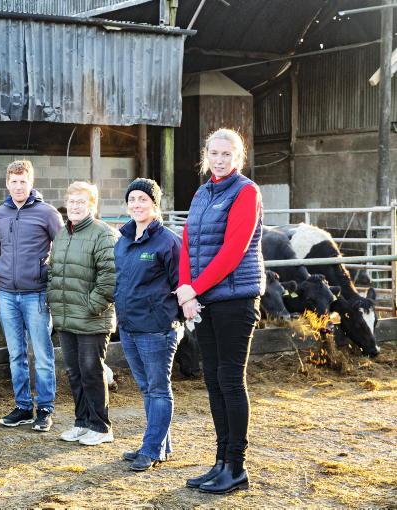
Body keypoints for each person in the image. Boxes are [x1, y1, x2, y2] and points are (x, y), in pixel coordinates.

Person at [176, 128, 265, 494]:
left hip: (236, 298)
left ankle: (236, 466)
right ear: (206, 155)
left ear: (238, 157)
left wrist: (195, 288)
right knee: (213, 379)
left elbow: (233, 250)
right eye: (214, 153)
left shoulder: (246, 192)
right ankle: (220, 462)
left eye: (227, 154)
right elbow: (187, 243)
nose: (219, 159)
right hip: (206, 298)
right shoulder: (202, 193)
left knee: (230, 379)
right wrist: (186, 291)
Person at [114, 178, 181, 470]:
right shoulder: (124, 240)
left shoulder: (168, 241)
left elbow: (182, 284)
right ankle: (160, 445)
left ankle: (151, 448)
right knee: (146, 388)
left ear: (155, 204)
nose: (136, 204)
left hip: (156, 328)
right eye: (132, 199)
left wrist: (171, 319)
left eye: (143, 199)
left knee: (158, 389)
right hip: (129, 326)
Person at [0, 160, 63, 432]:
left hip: (36, 294)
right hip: (7, 295)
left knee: (42, 354)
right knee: (16, 354)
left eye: (23, 181)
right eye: (14, 181)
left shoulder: (47, 213)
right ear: (7, 183)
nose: (18, 186)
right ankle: (22, 406)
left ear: (31, 183)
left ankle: (45, 408)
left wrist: (47, 274)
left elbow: (62, 248)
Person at [47, 181, 116, 446]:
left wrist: (91, 307)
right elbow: (54, 271)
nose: (75, 206)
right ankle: (82, 422)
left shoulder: (103, 234)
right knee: (74, 373)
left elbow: (110, 277)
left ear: (92, 206)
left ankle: (101, 426)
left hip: (91, 318)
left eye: (81, 202)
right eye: (72, 201)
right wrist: (54, 299)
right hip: (66, 317)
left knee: (91, 372)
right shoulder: (63, 234)